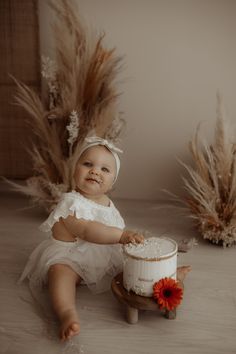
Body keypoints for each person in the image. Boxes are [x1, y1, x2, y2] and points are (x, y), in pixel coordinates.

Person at [20, 136, 145, 341]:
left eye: (105, 169)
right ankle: (67, 313)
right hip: (68, 255)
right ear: (74, 169)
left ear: (113, 181)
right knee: (60, 274)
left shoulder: (106, 202)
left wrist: (127, 237)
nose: (95, 171)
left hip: (98, 253)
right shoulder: (71, 202)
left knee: (133, 264)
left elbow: (111, 226)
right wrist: (121, 236)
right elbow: (87, 230)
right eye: (88, 164)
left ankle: (162, 277)